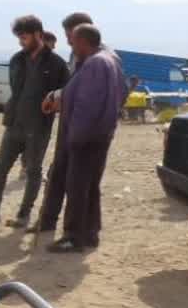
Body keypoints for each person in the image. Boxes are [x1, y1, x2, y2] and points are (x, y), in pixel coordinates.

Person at [0, 16, 69, 231]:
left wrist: (54, 102)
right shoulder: (17, 60)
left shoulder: (56, 64)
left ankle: (23, 214)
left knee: (33, 171)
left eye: (24, 37)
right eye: (19, 38)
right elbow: (16, 90)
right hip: (14, 123)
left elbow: (66, 92)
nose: (21, 42)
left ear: (38, 34)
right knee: (0, 169)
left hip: (38, 127)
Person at [37, 24, 124, 253]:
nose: (71, 46)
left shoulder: (95, 64)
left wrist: (75, 136)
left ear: (84, 42)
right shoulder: (107, 59)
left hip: (86, 138)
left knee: (77, 187)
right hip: (98, 135)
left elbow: (87, 105)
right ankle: (90, 233)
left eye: (73, 41)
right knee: (89, 187)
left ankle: (73, 237)